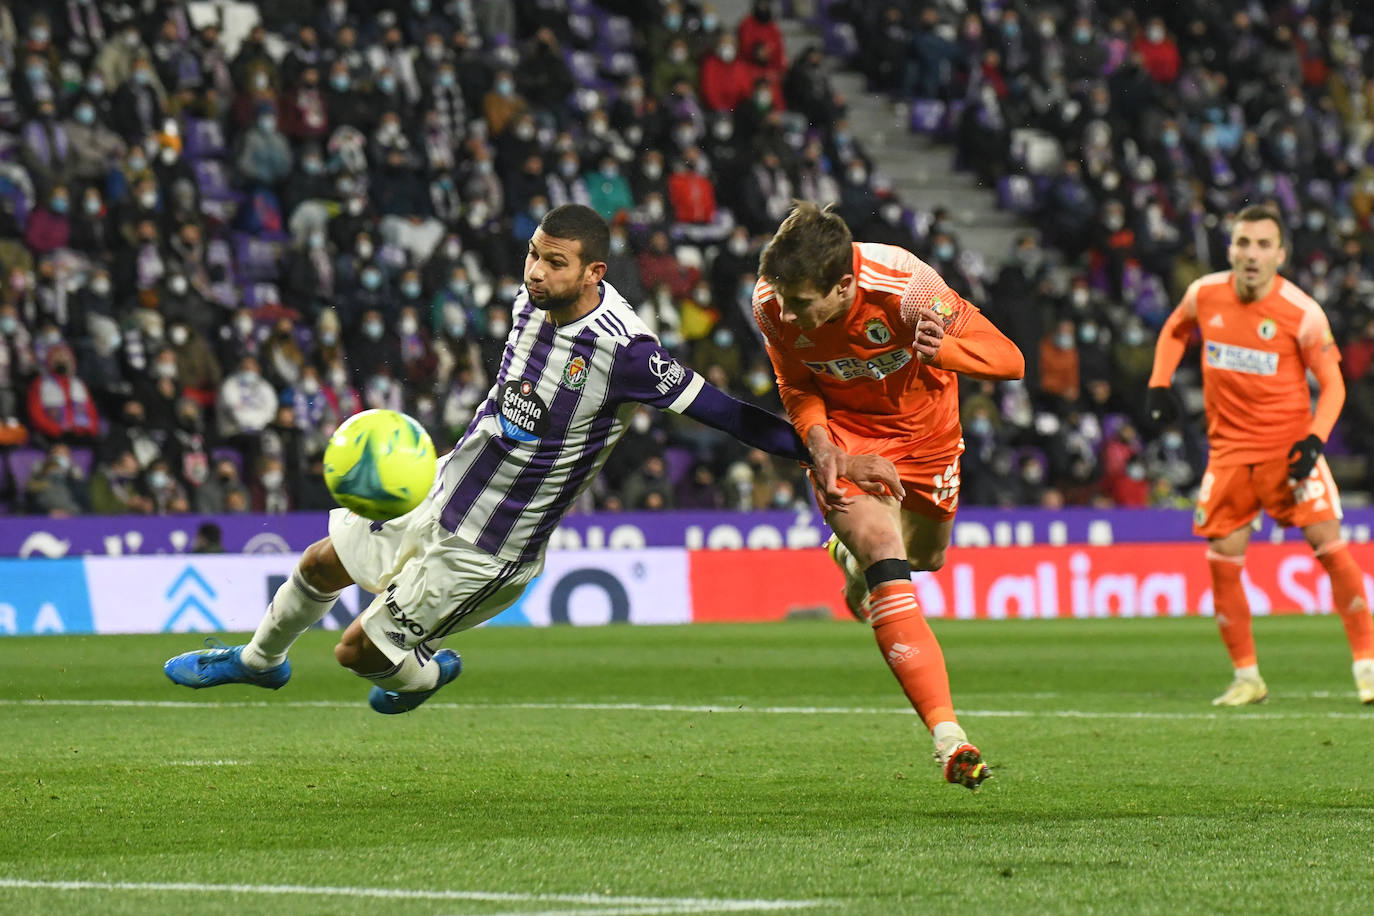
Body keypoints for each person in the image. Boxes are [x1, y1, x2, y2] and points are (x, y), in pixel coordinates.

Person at [163, 204, 898, 714]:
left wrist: (828, 452)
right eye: (533, 256)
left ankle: (424, 677)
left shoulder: (626, 353)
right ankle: (259, 664)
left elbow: (730, 416)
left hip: (490, 550)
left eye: (554, 263)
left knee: (360, 655)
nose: (535, 272)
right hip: (443, 492)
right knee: (325, 559)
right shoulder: (528, 302)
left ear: (593, 272)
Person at [753, 202, 1025, 790]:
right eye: (784, 301)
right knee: (884, 549)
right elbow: (796, 383)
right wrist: (824, 448)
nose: (790, 315)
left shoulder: (906, 288)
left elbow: (1012, 361)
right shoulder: (773, 303)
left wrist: (944, 351)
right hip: (849, 439)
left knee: (925, 558)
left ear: (844, 285)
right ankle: (949, 736)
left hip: (930, 437)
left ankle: (848, 560)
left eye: (803, 303)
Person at [1147, 205, 1374, 707]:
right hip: (1228, 455)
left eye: (1263, 245)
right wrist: (1160, 382)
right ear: (1230, 248)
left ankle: (1368, 666)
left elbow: (1334, 387)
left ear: (1281, 254)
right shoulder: (1204, 293)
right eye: (1243, 243)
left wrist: (1313, 441)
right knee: (1222, 561)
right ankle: (1247, 677)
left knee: (1330, 547)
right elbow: (1174, 329)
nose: (1251, 254)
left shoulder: (1303, 311)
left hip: (1288, 452)